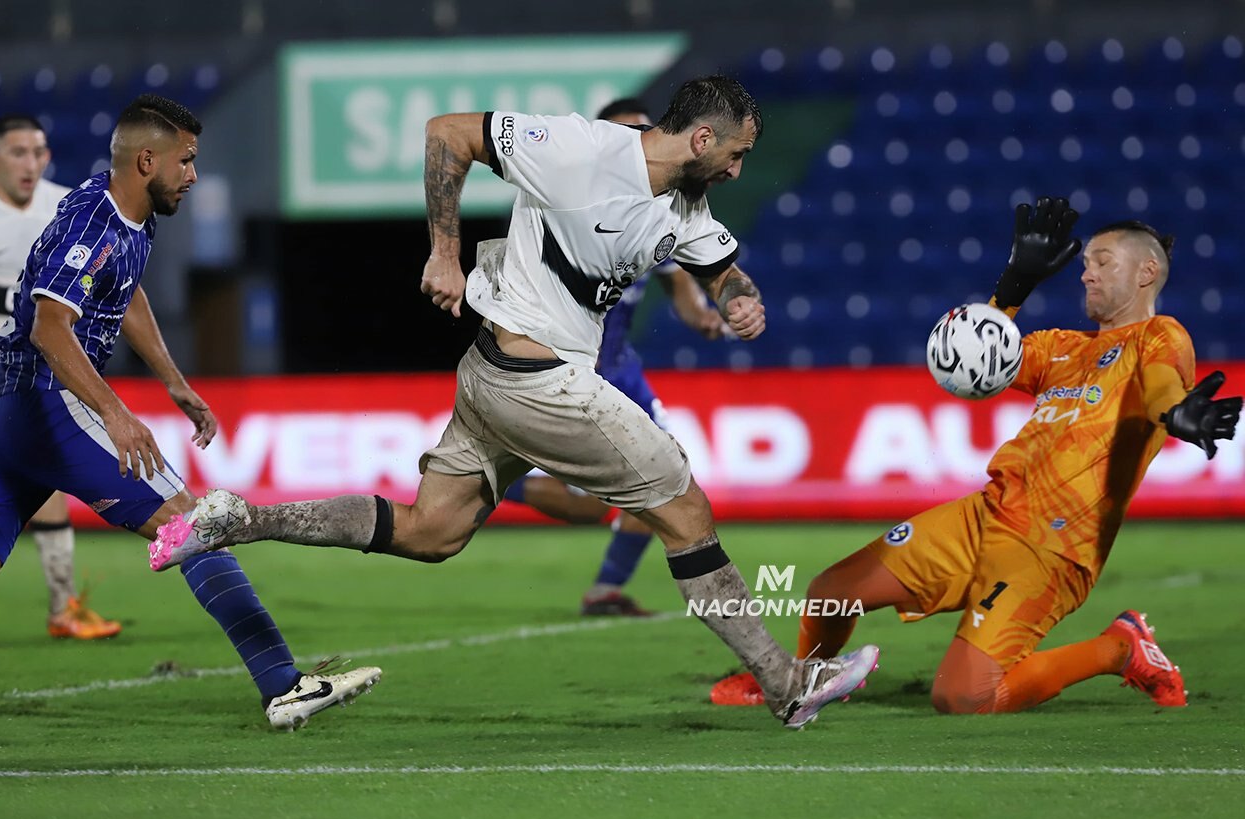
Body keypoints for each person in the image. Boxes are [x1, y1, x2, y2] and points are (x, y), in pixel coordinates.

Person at [150, 76, 881, 729]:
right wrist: (444, 250)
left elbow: (722, 271)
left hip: (493, 377)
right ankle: (785, 682)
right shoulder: (578, 148)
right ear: (700, 137)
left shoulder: (684, 200)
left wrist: (741, 299)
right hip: (537, 379)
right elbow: (448, 131)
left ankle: (240, 518)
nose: (738, 167)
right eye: (736, 153)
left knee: (430, 531)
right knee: (685, 511)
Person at [711, 198, 1241, 714]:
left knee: (964, 696)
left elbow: (1160, 389)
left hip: (1050, 547)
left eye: (1103, 262)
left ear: (1147, 271)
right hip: (986, 514)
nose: (1087, 274)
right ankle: (798, 680)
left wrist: (1177, 415)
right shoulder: (1062, 346)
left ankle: (1121, 647)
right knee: (830, 592)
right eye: (1084, 264)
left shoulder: (1158, 336)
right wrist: (1013, 287)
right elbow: (974, 358)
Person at [0, 94, 379, 730]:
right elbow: (52, 328)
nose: (193, 174)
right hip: (43, 407)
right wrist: (116, 413)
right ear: (147, 160)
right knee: (193, 524)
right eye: (185, 161)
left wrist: (174, 383)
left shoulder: (123, 213)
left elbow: (123, 294)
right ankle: (284, 684)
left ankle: (284, 682)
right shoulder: (91, 225)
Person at [502, 97, 726, 617]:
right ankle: (502, 485)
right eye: (620, 136)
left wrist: (707, 317)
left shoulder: (660, 214)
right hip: (572, 369)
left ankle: (605, 590)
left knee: (671, 478)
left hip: (623, 370)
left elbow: (682, 292)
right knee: (589, 507)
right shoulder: (568, 207)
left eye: (641, 134)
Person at [0, 114, 120, 640]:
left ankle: (62, 606)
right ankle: (62, 607)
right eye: (17, 153)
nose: (31, 163)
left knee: (41, 476)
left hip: (31, 363)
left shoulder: (68, 205)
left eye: (38, 152)